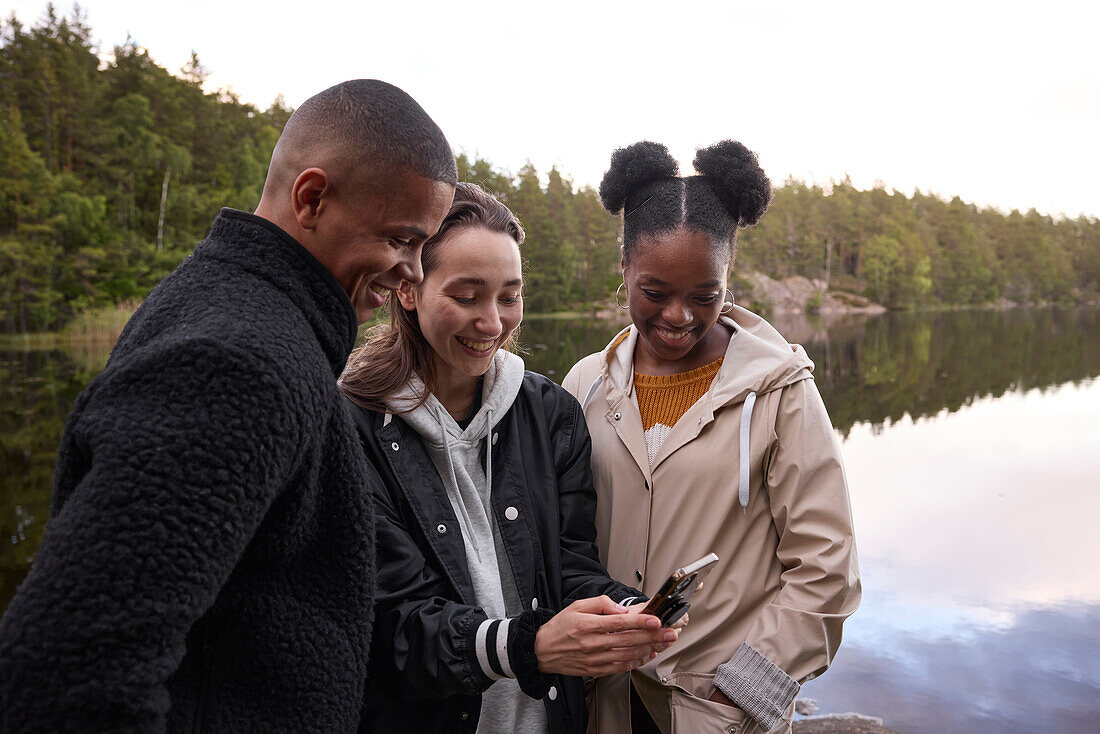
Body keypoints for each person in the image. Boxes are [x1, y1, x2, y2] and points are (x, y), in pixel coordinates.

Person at [0, 79, 456, 733]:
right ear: (312, 198)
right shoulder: (242, 363)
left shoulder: (232, 302)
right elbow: (69, 677)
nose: (413, 271)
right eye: (402, 239)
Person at [340, 182, 682, 734]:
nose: (494, 323)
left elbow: (570, 565)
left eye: (509, 295)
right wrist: (529, 646)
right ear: (409, 290)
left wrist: (624, 611)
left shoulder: (552, 414)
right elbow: (394, 626)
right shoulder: (352, 427)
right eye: (467, 295)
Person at [562, 141, 861, 734]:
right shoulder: (585, 385)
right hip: (602, 704)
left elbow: (827, 568)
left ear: (729, 278)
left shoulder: (781, 392)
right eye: (655, 292)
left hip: (714, 712)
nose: (679, 316)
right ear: (623, 267)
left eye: (705, 295)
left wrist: (743, 694)